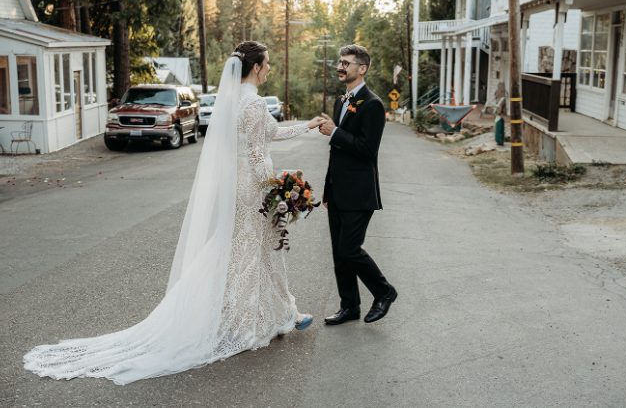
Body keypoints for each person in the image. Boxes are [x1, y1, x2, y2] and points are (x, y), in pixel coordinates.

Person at [23, 41, 325, 385]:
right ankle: (261, 319)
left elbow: (272, 134)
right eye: (268, 63)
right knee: (255, 250)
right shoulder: (253, 102)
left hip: (239, 186)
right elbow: (257, 154)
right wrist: (277, 190)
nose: (270, 68)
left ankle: (281, 313)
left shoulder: (234, 101)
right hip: (252, 188)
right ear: (256, 67)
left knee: (247, 249)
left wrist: (308, 125)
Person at [319, 44, 397, 325]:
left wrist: (335, 132)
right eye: (339, 62)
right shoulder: (342, 101)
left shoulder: (374, 104)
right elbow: (337, 150)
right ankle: (349, 306)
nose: (340, 67)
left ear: (361, 69)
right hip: (338, 190)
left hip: (360, 192)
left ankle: (385, 292)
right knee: (339, 253)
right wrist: (328, 188)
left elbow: (367, 150)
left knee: (350, 249)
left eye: (346, 63)